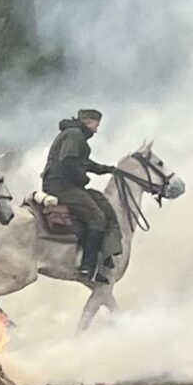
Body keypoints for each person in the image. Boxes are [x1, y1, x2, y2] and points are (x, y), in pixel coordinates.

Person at [41, 108, 119, 283]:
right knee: (98, 219)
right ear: (88, 121)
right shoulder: (76, 135)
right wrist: (82, 178)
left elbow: (81, 161)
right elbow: (69, 161)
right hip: (63, 186)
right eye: (96, 125)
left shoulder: (72, 134)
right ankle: (87, 268)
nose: (96, 130)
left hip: (60, 184)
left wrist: (105, 169)